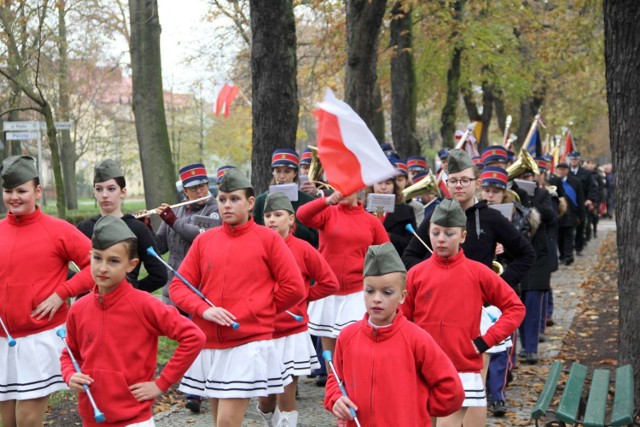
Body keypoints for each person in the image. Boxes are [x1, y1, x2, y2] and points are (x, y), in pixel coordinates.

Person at [169, 169, 305, 427]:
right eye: (222, 200)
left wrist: (258, 310)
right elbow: (179, 286)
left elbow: (294, 287)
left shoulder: (269, 239)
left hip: (249, 342)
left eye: (234, 199)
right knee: (219, 420)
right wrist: (203, 310)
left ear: (250, 203)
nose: (227, 205)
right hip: (209, 341)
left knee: (227, 423)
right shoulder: (203, 241)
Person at [61, 215, 206, 427]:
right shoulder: (79, 309)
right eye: (97, 258)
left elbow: (194, 336)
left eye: (113, 261)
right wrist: (69, 374)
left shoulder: (144, 305)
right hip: (91, 418)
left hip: (134, 420)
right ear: (89, 256)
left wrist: (161, 383)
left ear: (131, 265)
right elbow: (69, 352)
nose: (102, 268)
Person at [402, 200, 525, 427]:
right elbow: (402, 319)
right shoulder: (415, 274)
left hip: (461, 371)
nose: (441, 239)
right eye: (435, 232)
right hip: (421, 370)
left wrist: (485, 341)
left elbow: (515, 308)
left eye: (449, 233)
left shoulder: (478, 273)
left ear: (463, 236)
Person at [0, 155, 95, 427]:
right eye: (8, 191)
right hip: (3, 342)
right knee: (8, 422)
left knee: (26, 420)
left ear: (37, 191)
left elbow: (96, 265)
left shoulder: (58, 230)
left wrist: (62, 291)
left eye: (22, 191)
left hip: (38, 338)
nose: (14, 197)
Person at [325, 243, 464, 426]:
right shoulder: (347, 336)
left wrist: (418, 409)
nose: (376, 298)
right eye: (370, 290)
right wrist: (336, 399)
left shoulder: (417, 339)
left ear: (402, 296)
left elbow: (452, 389)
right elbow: (335, 378)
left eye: (387, 292)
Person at [257, 192, 339, 427]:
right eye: (268, 215)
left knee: (286, 392)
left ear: (291, 219)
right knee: (266, 399)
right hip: (262, 331)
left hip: (292, 331)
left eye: (278, 215)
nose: (272, 220)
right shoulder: (256, 247)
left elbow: (329, 282)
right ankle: (268, 419)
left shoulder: (303, 249)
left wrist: (302, 298)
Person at [402, 149, 536, 292]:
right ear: (447, 185)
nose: (458, 185)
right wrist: (432, 275)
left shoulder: (492, 217)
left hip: (479, 305)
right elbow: (409, 257)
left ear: (477, 184)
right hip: (438, 298)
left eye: (465, 180)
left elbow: (527, 254)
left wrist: (497, 286)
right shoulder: (436, 217)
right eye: (453, 180)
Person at [296, 187, 390, 379]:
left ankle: (358, 389)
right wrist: (326, 201)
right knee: (330, 355)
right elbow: (302, 215)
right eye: (338, 188)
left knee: (355, 348)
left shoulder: (371, 221)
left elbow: (386, 255)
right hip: (328, 294)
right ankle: (335, 392)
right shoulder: (328, 214)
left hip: (357, 293)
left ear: (358, 190)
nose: (343, 192)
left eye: (347, 188)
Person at [155, 163, 220, 413]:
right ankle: (191, 385)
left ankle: (196, 392)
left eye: (203, 185)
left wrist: (171, 221)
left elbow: (202, 236)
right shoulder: (176, 211)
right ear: (185, 192)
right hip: (175, 285)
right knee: (184, 339)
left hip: (201, 288)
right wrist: (147, 229)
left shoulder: (214, 209)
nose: (200, 190)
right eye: (193, 188)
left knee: (199, 338)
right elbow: (160, 246)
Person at [77, 159, 167, 293]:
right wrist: (82, 287)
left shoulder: (138, 229)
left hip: (125, 309)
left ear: (123, 192)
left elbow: (159, 274)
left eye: (111, 189)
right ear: (94, 192)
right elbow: (59, 267)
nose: (105, 195)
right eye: (99, 189)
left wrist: (132, 291)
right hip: (88, 307)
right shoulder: (83, 229)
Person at [252, 149, 318, 247]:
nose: (282, 176)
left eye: (287, 171)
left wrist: (293, 226)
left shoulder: (307, 200)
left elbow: (315, 239)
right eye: (278, 171)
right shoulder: (261, 201)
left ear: (295, 173)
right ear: (273, 172)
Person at [366, 174, 417, 256]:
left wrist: (389, 236)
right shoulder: (363, 210)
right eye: (379, 183)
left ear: (394, 186)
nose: (383, 187)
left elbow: (411, 243)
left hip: (395, 261)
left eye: (388, 183)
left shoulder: (406, 210)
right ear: (372, 185)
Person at [548, 162, 585, 265]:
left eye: (563, 170)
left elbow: (580, 198)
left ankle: (569, 256)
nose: (560, 171)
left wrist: (581, 215)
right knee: (560, 236)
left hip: (571, 213)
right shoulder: (552, 181)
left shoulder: (575, 181)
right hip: (559, 212)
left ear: (567, 171)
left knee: (569, 235)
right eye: (559, 169)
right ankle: (562, 255)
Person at [568, 152, 598, 255]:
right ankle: (568, 249)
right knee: (568, 227)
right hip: (569, 204)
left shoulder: (586, 173)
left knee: (580, 227)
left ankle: (578, 248)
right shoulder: (566, 172)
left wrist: (590, 199)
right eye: (572, 159)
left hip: (582, 203)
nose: (573, 161)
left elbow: (592, 187)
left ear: (579, 160)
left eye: (575, 159)